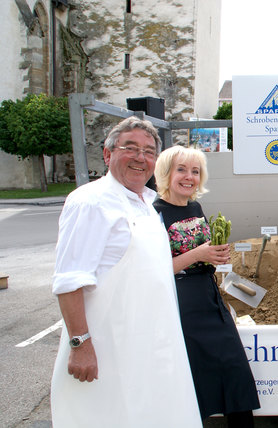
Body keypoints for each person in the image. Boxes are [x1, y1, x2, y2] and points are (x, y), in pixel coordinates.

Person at [50, 116, 201, 427]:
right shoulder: (90, 203)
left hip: (151, 345)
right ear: (108, 155)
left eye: (148, 151)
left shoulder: (146, 203)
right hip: (109, 348)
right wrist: (81, 345)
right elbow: (69, 281)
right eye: (129, 148)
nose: (140, 158)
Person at [153, 145, 260, 426]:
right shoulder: (153, 214)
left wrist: (216, 258)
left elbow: (203, 253)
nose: (189, 177)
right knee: (193, 378)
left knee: (234, 370)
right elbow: (151, 270)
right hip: (179, 304)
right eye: (181, 170)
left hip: (208, 297)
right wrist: (197, 255)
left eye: (195, 171)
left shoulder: (195, 206)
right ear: (166, 173)